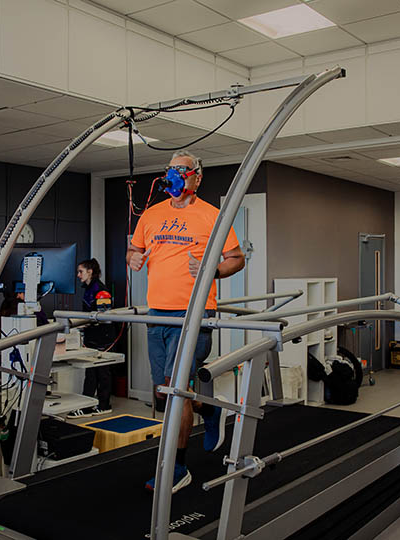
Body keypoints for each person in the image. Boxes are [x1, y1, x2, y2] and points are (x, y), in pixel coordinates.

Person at [127, 150, 245, 494]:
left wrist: (212, 270)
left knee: (175, 390)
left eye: (183, 170)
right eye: (171, 170)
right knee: (165, 393)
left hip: (193, 314)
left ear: (196, 177)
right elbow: (133, 250)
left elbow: (236, 259)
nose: (176, 176)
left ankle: (177, 468)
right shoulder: (151, 215)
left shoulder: (212, 216)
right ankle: (207, 409)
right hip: (157, 314)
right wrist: (133, 257)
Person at [67, 259, 115, 418]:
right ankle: (87, 405)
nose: (78, 275)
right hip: (92, 338)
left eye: (81, 271)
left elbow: (104, 317)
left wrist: (85, 324)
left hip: (102, 339)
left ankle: (104, 405)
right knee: (91, 373)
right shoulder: (88, 289)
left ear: (90, 272)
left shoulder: (100, 291)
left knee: (102, 372)